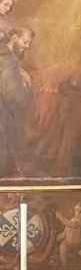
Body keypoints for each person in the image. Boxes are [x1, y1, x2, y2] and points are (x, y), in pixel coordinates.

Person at [0, 26, 35, 177]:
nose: (27, 47)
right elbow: (12, 95)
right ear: (14, 37)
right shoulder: (8, 60)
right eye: (25, 42)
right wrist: (27, 86)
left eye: (29, 44)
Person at [55, 202, 81, 268]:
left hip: (75, 243)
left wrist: (60, 217)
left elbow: (69, 224)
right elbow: (65, 233)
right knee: (78, 251)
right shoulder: (72, 220)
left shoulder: (80, 222)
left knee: (63, 246)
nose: (77, 213)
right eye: (76, 210)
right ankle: (64, 264)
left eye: (80, 211)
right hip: (68, 243)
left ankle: (64, 265)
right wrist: (55, 238)